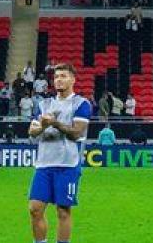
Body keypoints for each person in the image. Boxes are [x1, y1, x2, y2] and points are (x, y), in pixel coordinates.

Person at [27, 64, 92, 243]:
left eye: (63, 76)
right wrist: (41, 127)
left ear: (73, 79)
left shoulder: (81, 104)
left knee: (63, 210)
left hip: (67, 164)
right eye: (56, 77)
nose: (59, 80)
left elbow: (77, 133)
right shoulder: (44, 104)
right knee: (35, 208)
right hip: (44, 164)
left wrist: (54, 123)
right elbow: (32, 132)